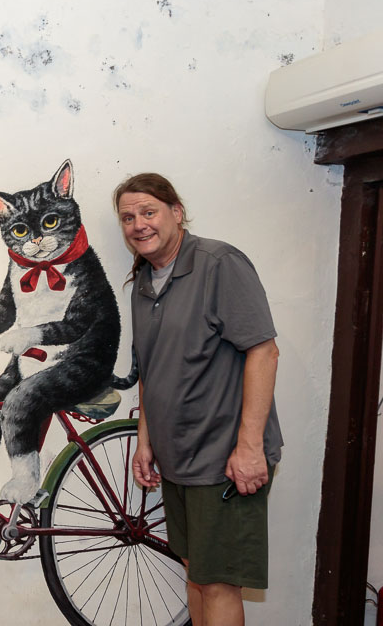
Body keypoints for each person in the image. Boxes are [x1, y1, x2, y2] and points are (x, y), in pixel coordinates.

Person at [114, 173, 282, 626]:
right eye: (128, 217)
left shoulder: (219, 264)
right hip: (177, 457)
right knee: (196, 572)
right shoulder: (144, 282)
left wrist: (249, 448)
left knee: (219, 582)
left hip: (223, 456)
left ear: (177, 212)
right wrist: (146, 440)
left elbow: (264, 352)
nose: (138, 224)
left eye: (148, 212)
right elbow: (151, 370)